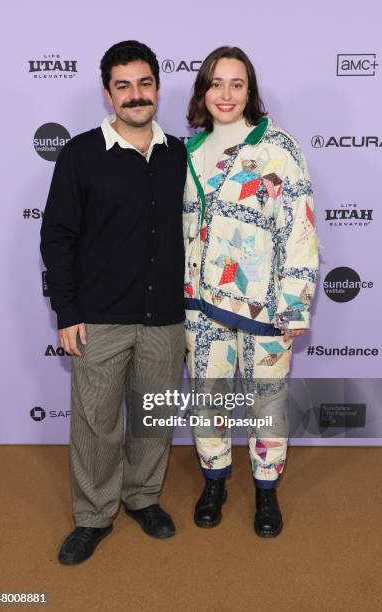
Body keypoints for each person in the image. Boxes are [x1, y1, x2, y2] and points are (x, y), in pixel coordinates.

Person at [40, 40, 187, 565]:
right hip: (98, 318)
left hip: (166, 318)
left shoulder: (181, 154)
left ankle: (143, 497)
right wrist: (68, 311)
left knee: (152, 417)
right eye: (122, 86)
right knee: (96, 423)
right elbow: (57, 236)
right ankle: (93, 515)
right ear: (108, 94)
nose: (135, 95)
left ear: (158, 87)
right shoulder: (81, 153)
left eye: (144, 83)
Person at [183, 46, 319, 536]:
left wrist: (294, 304)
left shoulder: (279, 147)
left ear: (250, 91)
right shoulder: (187, 152)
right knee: (208, 398)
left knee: (267, 403)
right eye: (216, 83)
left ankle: (266, 493)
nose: (226, 94)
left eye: (236, 84)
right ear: (203, 90)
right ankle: (215, 482)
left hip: (265, 308)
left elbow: (300, 229)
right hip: (200, 306)